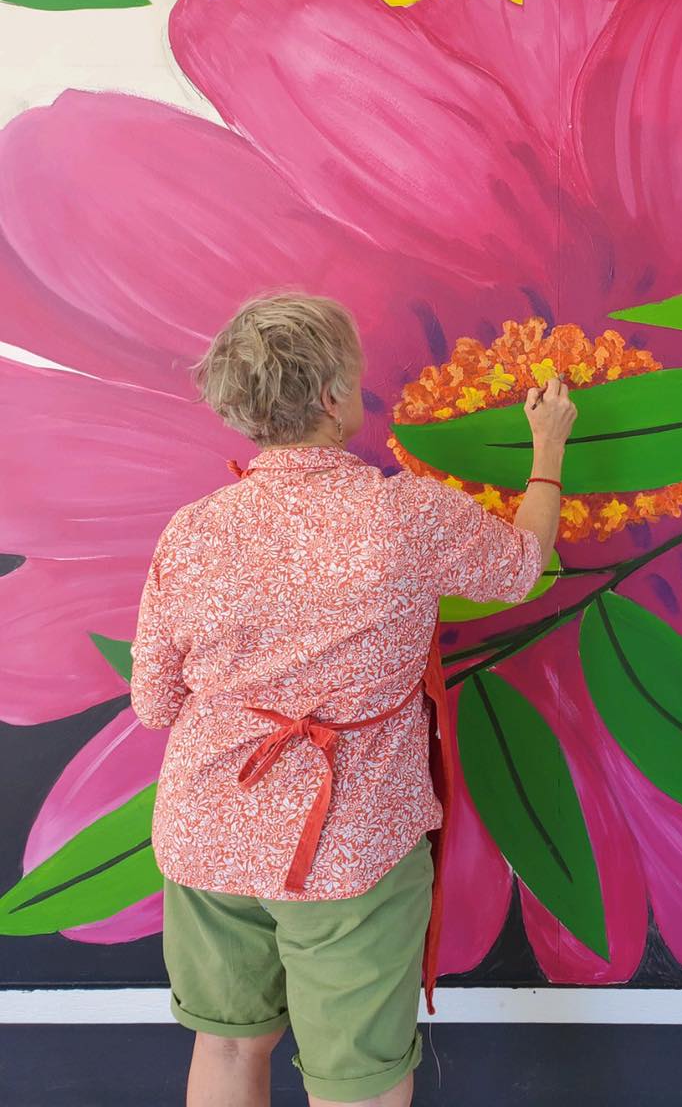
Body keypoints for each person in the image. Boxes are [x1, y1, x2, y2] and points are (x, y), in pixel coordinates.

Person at [129, 291, 577, 1107]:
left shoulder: (192, 532)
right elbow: (522, 566)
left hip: (207, 836)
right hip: (349, 844)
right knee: (358, 1084)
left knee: (226, 1046)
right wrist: (548, 447)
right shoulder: (407, 515)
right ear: (334, 395)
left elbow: (154, 705)